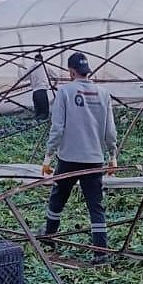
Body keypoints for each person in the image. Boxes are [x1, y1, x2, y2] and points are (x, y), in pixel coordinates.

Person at [40, 52, 117, 265]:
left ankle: (49, 237)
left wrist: (48, 156)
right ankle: (100, 251)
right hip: (94, 158)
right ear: (87, 70)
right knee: (95, 204)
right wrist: (112, 155)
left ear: (71, 72)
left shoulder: (65, 92)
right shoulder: (103, 94)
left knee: (58, 197)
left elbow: (57, 128)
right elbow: (110, 131)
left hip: (69, 158)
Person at [30, 52, 54, 122]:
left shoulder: (31, 67)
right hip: (42, 92)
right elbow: (55, 76)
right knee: (44, 114)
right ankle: (39, 124)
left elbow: (23, 78)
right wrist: (54, 84)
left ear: (34, 60)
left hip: (35, 93)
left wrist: (19, 68)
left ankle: (35, 123)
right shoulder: (45, 66)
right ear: (42, 60)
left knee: (38, 113)